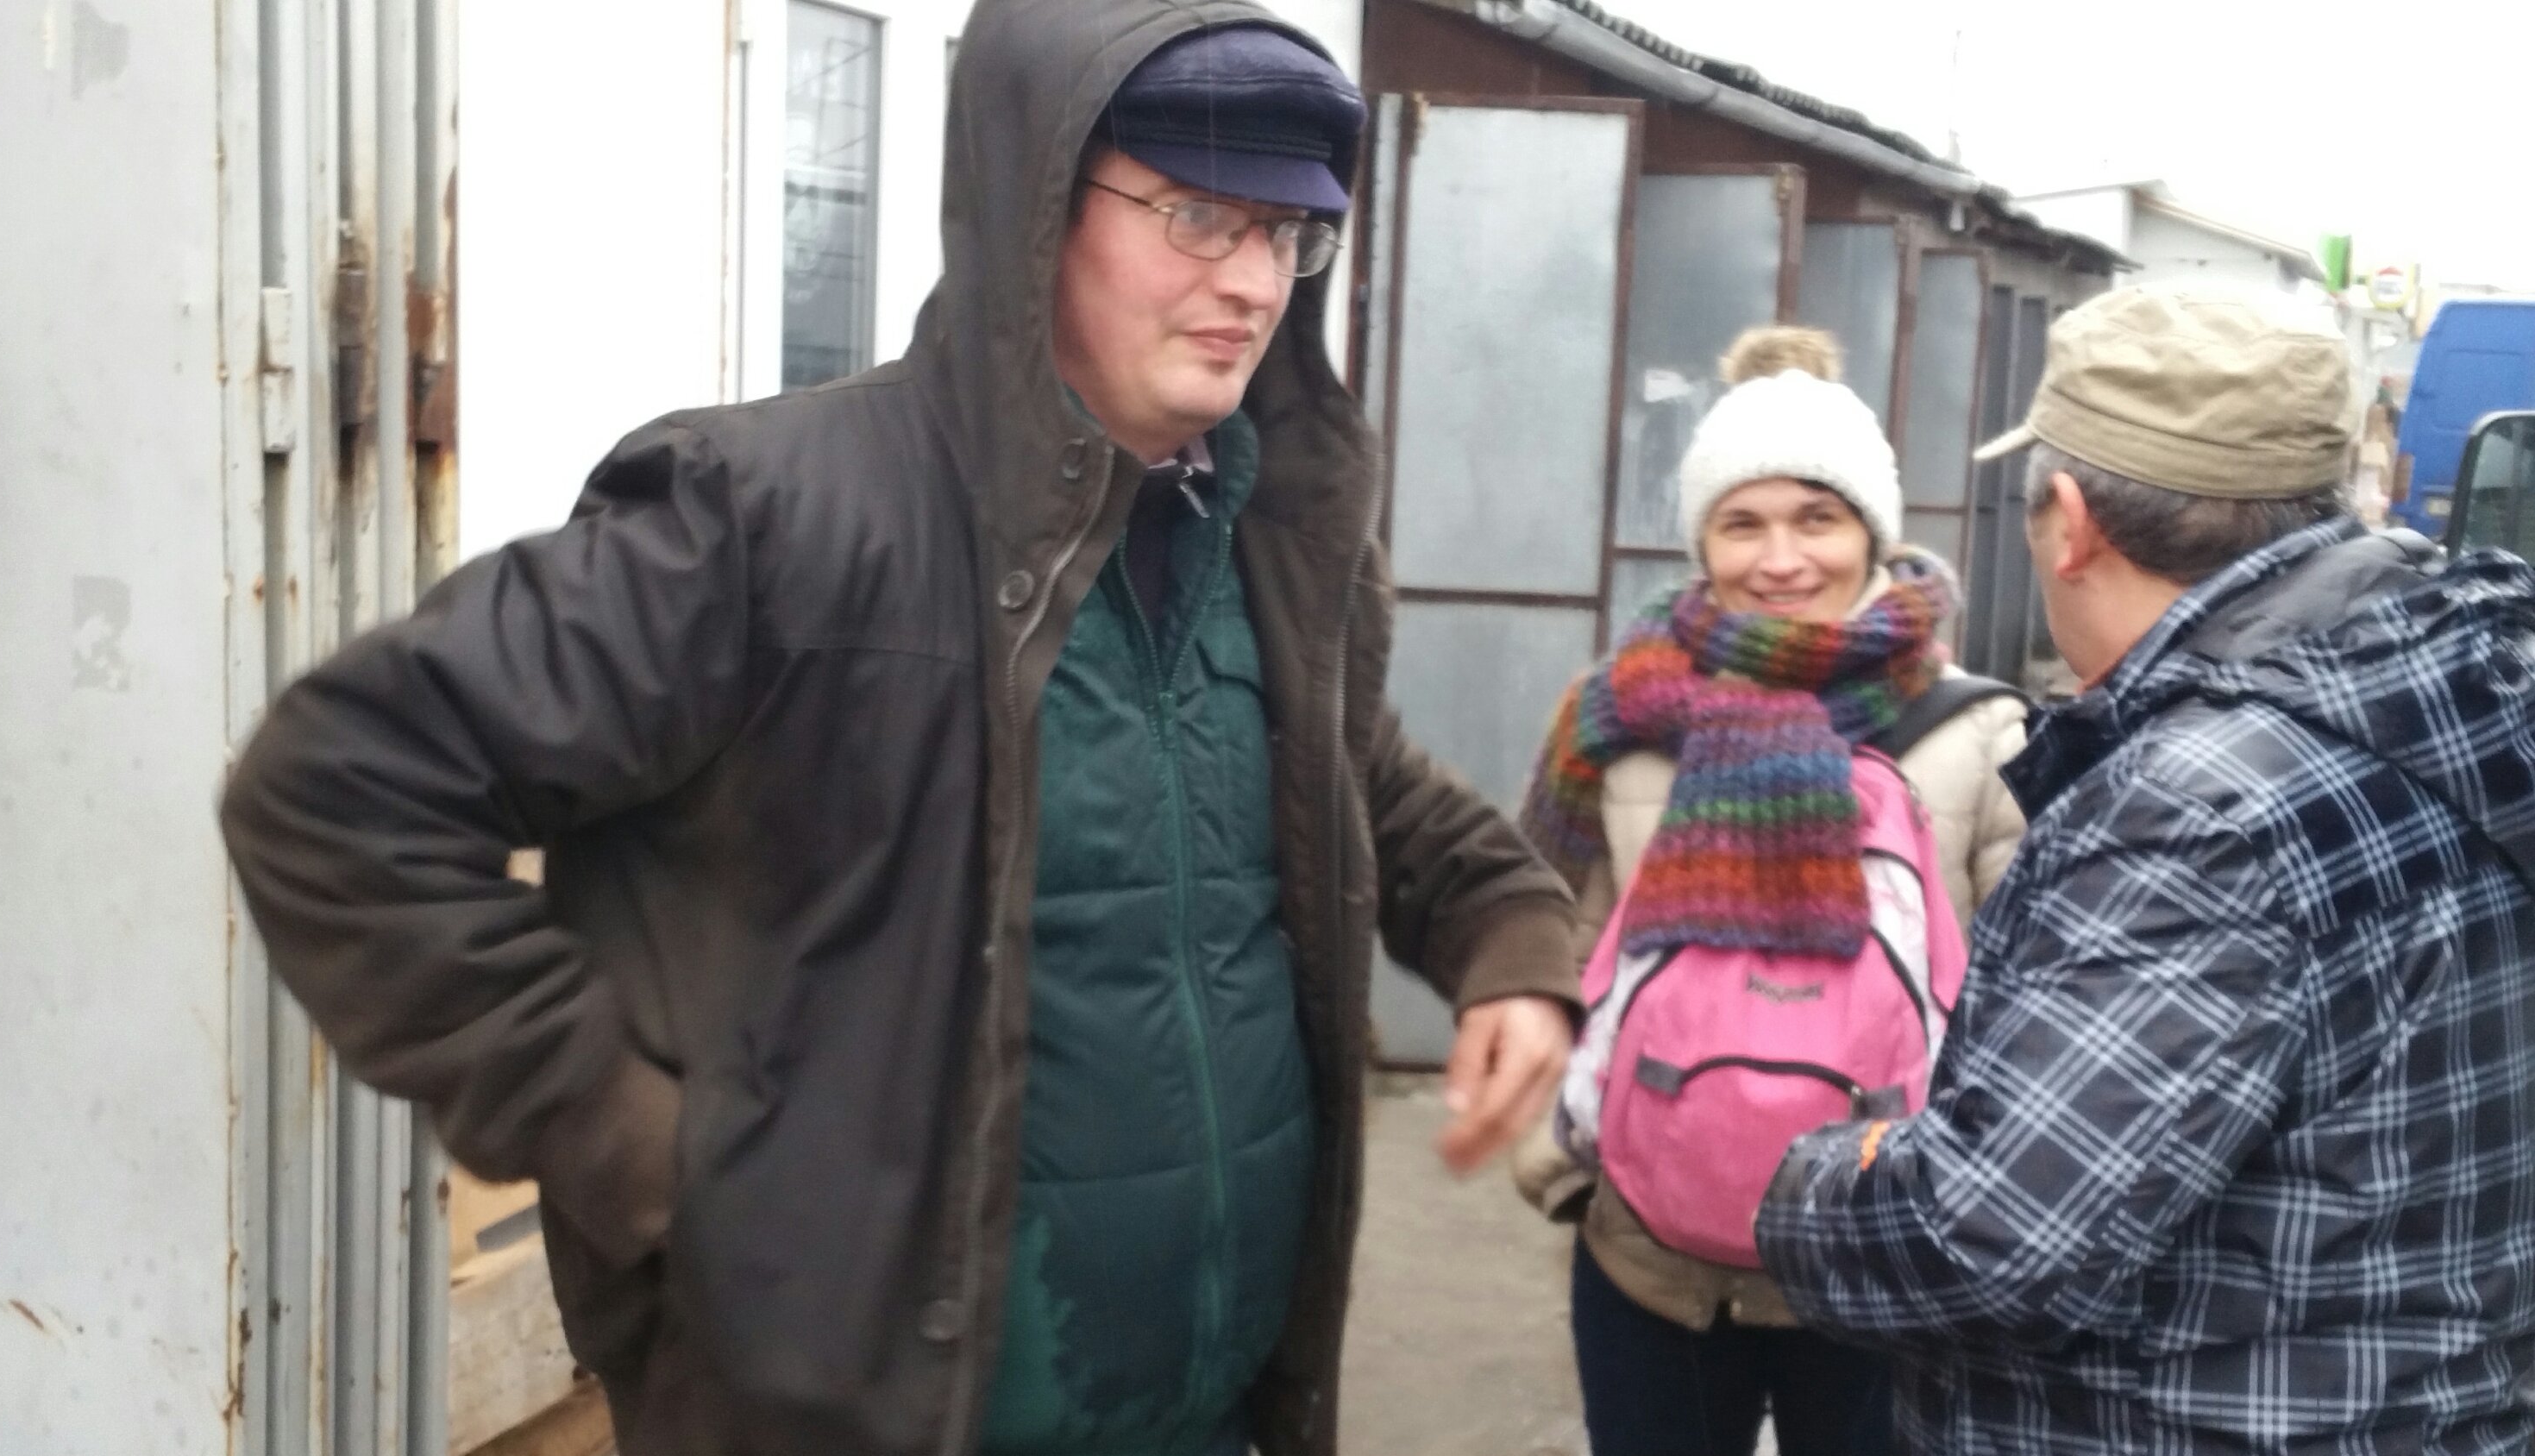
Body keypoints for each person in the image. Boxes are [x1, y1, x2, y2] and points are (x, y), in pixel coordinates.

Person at [216, 8, 1581, 1456]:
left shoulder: (1259, 531)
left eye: (1287, 233)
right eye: (1196, 216)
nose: (1250, 280)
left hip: (1215, 1412)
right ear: (1035, 201)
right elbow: (336, 789)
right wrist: (627, 1135)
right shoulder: (767, 519)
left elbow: (1347, 773)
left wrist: (1505, 930)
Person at [1757, 288, 2535, 1454]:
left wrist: (1810, 1180)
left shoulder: (2198, 808)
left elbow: (1991, 1239)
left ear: (2071, 525)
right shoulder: (2444, 689)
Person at [1512, 326, 2029, 1456]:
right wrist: (1566, 1164)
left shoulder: (1978, 733)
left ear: (1872, 532)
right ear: (1701, 540)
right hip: (1652, 1264)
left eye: (1817, 519)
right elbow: (1547, 937)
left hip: (1891, 1263)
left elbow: (2037, 1000)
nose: (1781, 559)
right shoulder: (1618, 714)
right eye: (1741, 524)